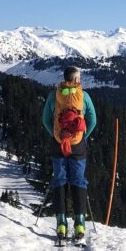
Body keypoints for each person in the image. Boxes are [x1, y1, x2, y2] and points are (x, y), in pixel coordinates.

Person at [42, 65, 97, 240]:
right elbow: (93, 120)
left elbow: (45, 120)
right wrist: (82, 137)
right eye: (79, 77)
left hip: (59, 145)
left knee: (59, 180)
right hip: (78, 147)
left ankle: (61, 224)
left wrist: (56, 135)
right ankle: (80, 224)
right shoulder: (84, 96)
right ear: (75, 80)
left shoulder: (54, 95)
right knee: (78, 180)